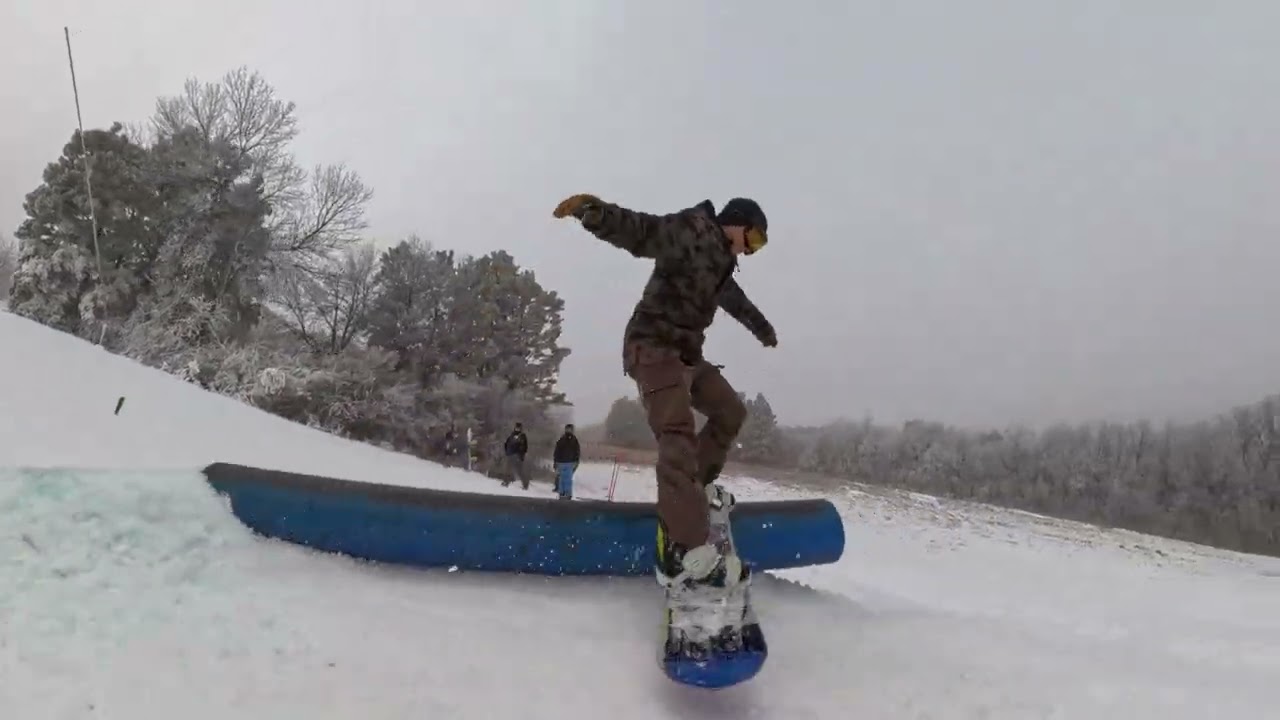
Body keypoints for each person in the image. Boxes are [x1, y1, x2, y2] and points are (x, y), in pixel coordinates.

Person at [552, 193, 776, 589]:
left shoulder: (720, 263)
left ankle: (691, 493)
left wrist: (762, 328)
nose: (751, 250)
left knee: (730, 411)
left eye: (758, 246)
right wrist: (597, 214)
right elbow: (643, 232)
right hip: (653, 347)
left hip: (687, 357)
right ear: (737, 222)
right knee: (677, 435)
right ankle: (683, 550)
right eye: (754, 239)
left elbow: (734, 300)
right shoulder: (693, 231)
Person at [553, 423, 581, 500]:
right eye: (567, 429)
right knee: (562, 479)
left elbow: (577, 451)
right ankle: (562, 493)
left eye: (570, 429)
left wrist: (576, 461)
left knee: (568, 479)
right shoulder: (561, 440)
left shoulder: (574, 440)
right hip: (561, 462)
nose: (568, 431)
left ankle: (567, 493)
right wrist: (555, 461)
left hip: (570, 462)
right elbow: (557, 451)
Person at [502, 422, 529, 489]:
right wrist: (507, 451)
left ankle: (525, 484)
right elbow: (507, 443)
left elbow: (524, 447)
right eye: (516, 427)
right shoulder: (512, 435)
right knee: (508, 469)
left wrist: (521, 455)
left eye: (518, 428)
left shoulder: (522, 436)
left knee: (519, 471)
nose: (517, 429)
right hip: (510, 454)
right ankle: (506, 482)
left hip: (517, 455)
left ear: (520, 428)